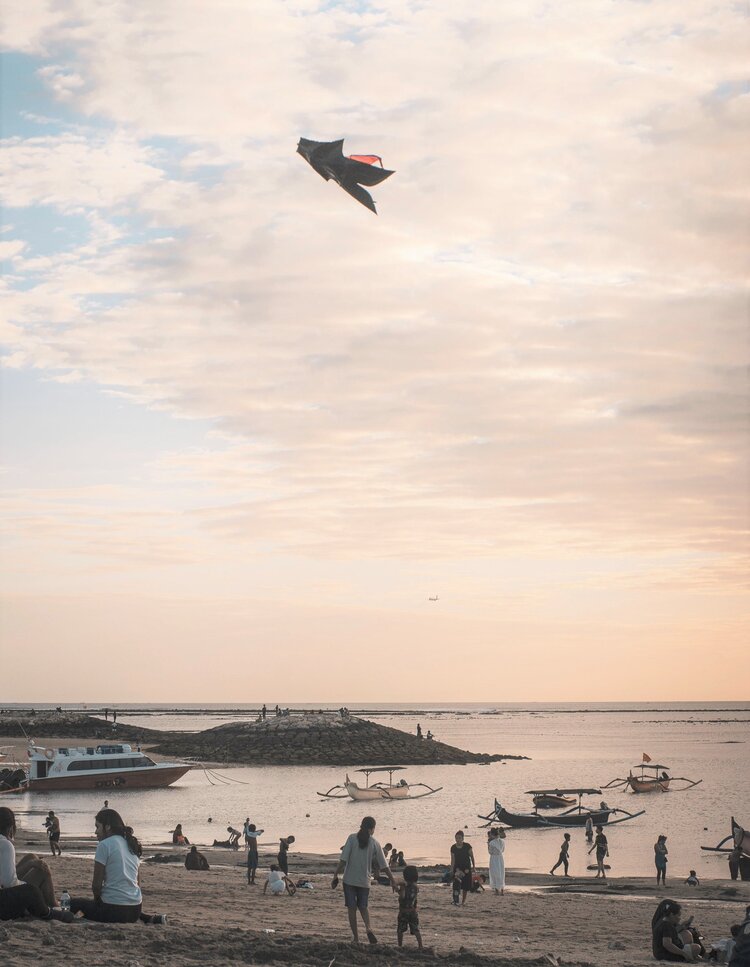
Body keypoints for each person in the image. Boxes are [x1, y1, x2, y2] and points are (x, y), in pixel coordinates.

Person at [68, 807, 164, 924]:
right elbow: (137, 883)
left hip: (113, 911)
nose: (95, 832)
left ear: (107, 827)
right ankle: (146, 918)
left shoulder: (104, 845)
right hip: (135, 909)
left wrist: (97, 901)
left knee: (72, 903)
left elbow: (96, 886)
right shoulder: (131, 844)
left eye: (97, 827)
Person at [332, 816, 396, 945]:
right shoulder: (375, 843)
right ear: (372, 829)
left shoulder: (351, 838)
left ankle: (356, 938)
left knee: (351, 908)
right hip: (364, 882)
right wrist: (392, 880)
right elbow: (384, 866)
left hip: (349, 879)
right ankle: (368, 928)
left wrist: (335, 875)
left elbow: (343, 860)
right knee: (363, 907)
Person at [0, 807, 70, 922]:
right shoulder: (5, 845)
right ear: (10, 827)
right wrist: (27, 880)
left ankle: (47, 901)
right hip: (4, 904)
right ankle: (54, 905)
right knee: (41, 870)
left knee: (31, 857)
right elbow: (8, 883)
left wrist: (31, 864)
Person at [396, 865, 422, 950]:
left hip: (404, 912)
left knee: (400, 930)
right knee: (415, 929)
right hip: (413, 912)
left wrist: (400, 888)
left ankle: (400, 945)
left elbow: (402, 897)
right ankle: (420, 945)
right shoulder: (416, 887)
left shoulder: (404, 887)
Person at [450, 830, 475, 906]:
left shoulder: (467, 846)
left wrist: (474, 867)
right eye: (456, 838)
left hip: (466, 868)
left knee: (465, 886)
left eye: (459, 838)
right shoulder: (453, 847)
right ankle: (456, 900)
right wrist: (451, 869)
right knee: (456, 885)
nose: (458, 840)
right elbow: (453, 859)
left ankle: (463, 901)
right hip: (457, 868)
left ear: (463, 838)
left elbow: (472, 857)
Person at [488, 827, 506, 894]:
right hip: (500, 858)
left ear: (492, 834)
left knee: (494, 873)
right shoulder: (503, 841)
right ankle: (501, 890)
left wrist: (488, 845)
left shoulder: (491, 842)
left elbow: (490, 852)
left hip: (494, 858)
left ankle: (496, 890)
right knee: (501, 872)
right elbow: (503, 850)